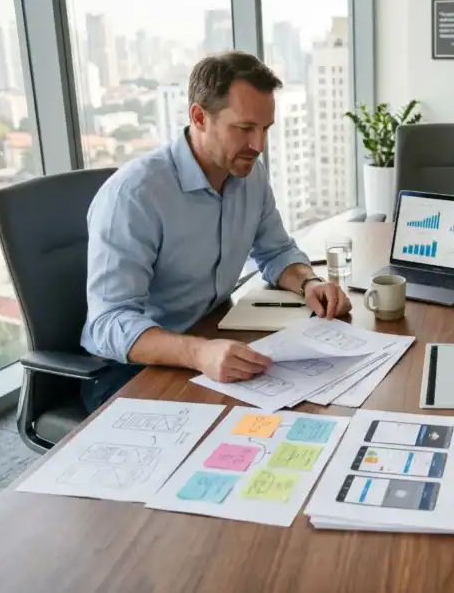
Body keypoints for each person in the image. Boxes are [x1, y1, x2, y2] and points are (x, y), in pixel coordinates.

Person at [80, 51, 351, 411]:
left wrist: (308, 283)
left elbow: (276, 252)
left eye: (265, 129)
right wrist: (199, 352)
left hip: (214, 333)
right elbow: (108, 323)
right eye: (244, 129)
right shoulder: (135, 196)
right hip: (130, 369)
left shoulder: (248, 172)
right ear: (199, 117)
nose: (259, 146)